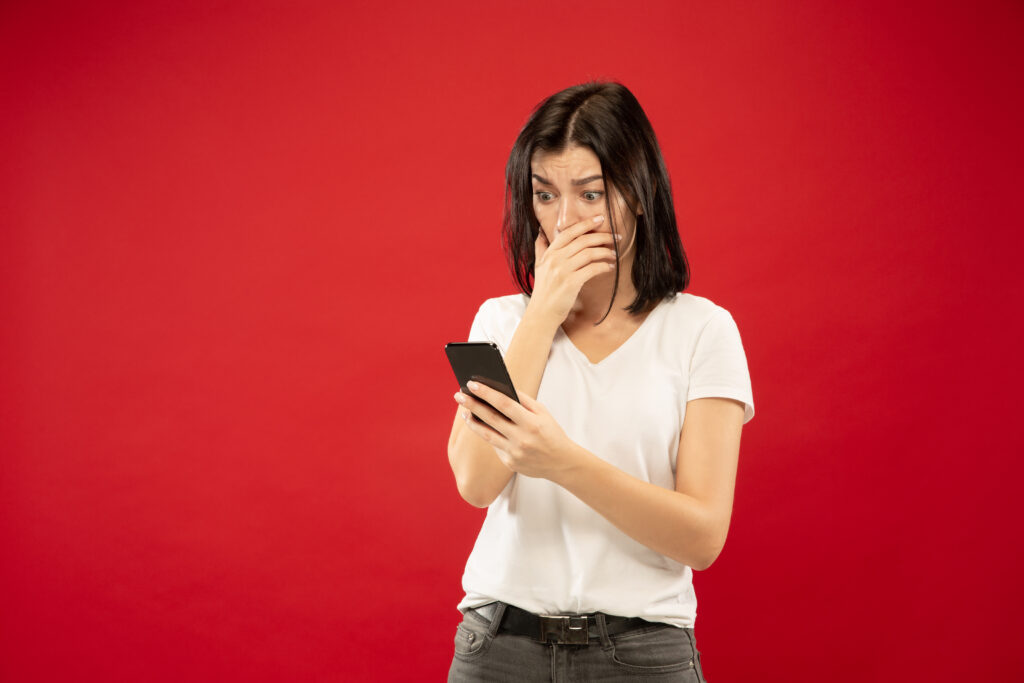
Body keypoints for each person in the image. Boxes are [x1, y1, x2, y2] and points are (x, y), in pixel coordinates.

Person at [445, 81, 754, 682]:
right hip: (499, 648)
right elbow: (476, 482)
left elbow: (702, 537)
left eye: (591, 193)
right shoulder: (501, 321)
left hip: (641, 656)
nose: (567, 221)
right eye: (545, 195)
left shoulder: (702, 330)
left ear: (638, 194)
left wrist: (559, 461)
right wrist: (544, 310)